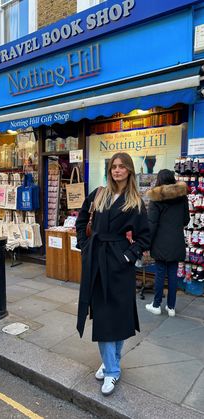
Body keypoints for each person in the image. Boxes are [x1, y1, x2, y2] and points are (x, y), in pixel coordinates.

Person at [76, 152, 150, 396]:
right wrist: (84, 246)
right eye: (113, 167)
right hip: (97, 262)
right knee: (104, 317)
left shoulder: (135, 202)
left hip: (119, 265)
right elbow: (81, 219)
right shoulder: (99, 193)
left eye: (121, 167)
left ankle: (111, 366)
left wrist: (128, 256)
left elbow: (145, 237)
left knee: (119, 318)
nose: (116, 170)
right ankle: (111, 368)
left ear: (129, 170)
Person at [145, 169, 190, 318]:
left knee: (159, 274)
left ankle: (156, 305)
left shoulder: (156, 198)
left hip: (160, 242)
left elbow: (151, 225)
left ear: (159, 180)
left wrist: (146, 244)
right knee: (172, 274)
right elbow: (186, 220)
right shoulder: (182, 197)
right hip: (176, 242)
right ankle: (171, 307)